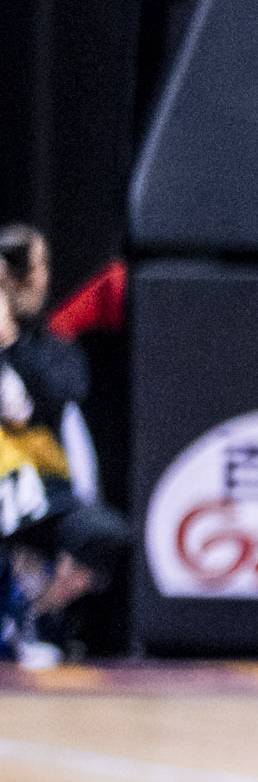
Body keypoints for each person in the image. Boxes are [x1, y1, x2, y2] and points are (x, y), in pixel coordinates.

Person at [0, 226, 131, 664]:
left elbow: (62, 391)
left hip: (38, 490)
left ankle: (31, 617)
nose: (32, 282)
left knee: (103, 534)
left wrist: (11, 344)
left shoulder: (48, 346)